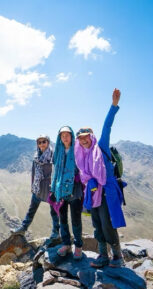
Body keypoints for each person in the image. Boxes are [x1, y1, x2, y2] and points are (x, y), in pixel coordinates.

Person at [75, 88, 126, 268]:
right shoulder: (81, 154)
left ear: (91, 137)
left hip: (106, 192)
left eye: (86, 137)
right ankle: (103, 255)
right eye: (80, 138)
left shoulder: (101, 145)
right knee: (97, 224)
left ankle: (118, 256)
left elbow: (107, 126)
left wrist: (113, 105)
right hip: (93, 193)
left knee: (108, 223)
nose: (83, 141)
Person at [12, 135, 60, 239]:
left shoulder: (54, 156)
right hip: (38, 189)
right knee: (31, 210)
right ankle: (23, 228)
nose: (42, 144)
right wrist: (33, 187)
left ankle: (56, 232)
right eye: (39, 142)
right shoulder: (36, 156)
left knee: (54, 212)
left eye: (44, 142)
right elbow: (34, 173)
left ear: (48, 142)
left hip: (50, 189)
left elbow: (57, 171)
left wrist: (56, 187)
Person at [50, 126, 84, 260]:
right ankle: (66, 244)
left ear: (72, 136)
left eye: (67, 134)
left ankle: (79, 246)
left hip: (74, 191)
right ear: (59, 138)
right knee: (62, 219)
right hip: (60, 191)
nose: (65, 137)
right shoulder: (58, 152)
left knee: (76, 220)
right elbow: (56, 172)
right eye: (62, 135)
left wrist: (77, 176)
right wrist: (53, 190)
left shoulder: (77, 150)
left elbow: (82, 167)